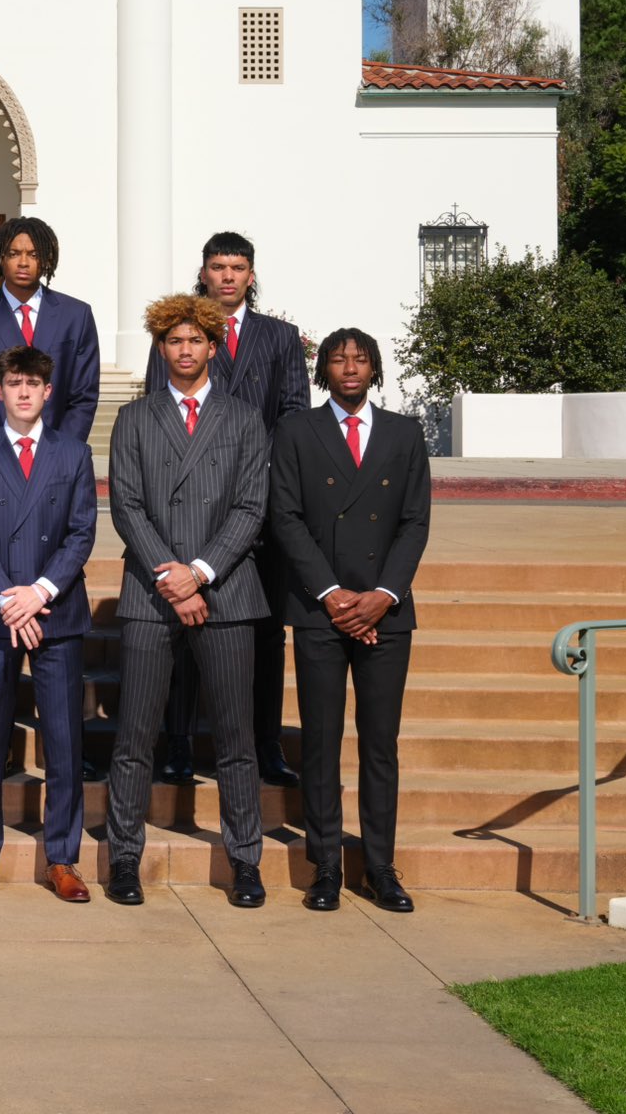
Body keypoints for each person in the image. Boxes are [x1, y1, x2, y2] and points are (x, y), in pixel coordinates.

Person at [104, 294, 272, 910]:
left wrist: (198, 573)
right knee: (135, 736)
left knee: (235, 738)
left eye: (195, 341)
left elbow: (252, 507)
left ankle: (244, 861)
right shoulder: (135, 419)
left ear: (212, 346)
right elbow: (127, 505)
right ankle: (124, 857)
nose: (185, 351)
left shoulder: (244, 418)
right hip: (151, 594)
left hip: (226, 592)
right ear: (161, 348)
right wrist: (170, 577)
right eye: (174, 341)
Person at [270, 328, 430, 915]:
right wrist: (334, 594)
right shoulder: (295, 430)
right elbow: (284, 516)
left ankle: (381, 867)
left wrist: (382, 594)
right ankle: (327, 867)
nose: (350, 368)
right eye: (339, 359)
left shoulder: (404, 433)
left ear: (375, 368)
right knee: (320, 743)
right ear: (324, 370)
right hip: (319, 609)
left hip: (386, 612)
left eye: (361, 359)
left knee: (380, 745)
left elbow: (415, 522)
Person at [145, 231, 309, 788]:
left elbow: (292, 417)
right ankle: (180, 743)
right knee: (182, 631)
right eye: (219, 266)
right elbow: (156, 413)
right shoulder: (175, 334)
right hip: (187, 511)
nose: (229, 277)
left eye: (239, 267)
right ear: (204, 272)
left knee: (264, 634)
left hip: (253, 509)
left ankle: (265, 744)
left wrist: (253, 477)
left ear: (252, 275)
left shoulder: (280, 338)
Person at [0, 345, 98, 902]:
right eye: (14, 383)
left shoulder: (73, 453)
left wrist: (39, 593)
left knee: (63, 740)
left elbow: (81, 532)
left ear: (47, 391)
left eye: (33, 384)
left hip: (55, 612)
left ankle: (62, 858)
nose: (23, 392)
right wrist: (10, 599)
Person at [0, 216, 100, 446]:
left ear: (47, 259)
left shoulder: (76, 316)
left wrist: (61, 453)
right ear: (1, 257)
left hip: (57, 455)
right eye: (14, 253)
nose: (23, 262)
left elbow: (83, 398)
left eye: (34, 254)